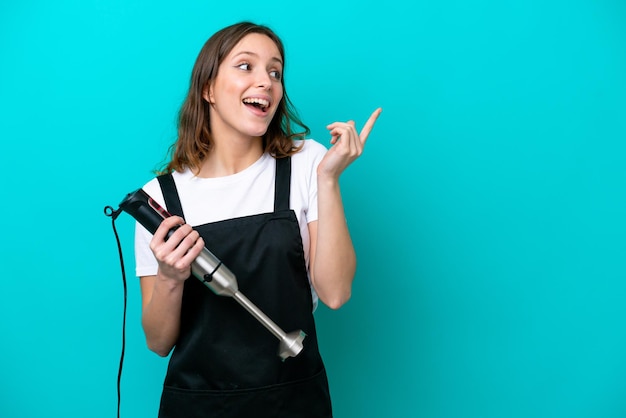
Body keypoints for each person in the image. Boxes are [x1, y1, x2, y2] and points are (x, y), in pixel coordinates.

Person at [134, 21, 381, 417]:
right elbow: (159, 341)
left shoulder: (307, 164)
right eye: (245, 66)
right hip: (198, 405)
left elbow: (335, 293)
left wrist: (329, 179)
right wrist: (169, 275)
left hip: (293, 400)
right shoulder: (160, 199)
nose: (266, 81)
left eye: (275, 71)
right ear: (208, 89)